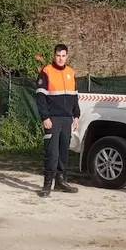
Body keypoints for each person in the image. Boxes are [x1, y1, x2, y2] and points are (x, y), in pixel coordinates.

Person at [35, 44, 80, 197]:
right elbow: (40, 97)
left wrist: (76, 116)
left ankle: (61, 181)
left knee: (63, 152)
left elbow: (74, 97)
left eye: (63, 56)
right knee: (52, 153)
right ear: (54, 56)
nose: (61, 59)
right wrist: (45, 117)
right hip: (52, 119)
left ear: (67, 56)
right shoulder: (46, 71)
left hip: (67, 119)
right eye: (58, 56)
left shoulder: (71, 73)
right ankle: (47, 185)